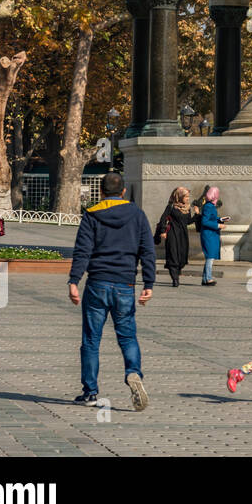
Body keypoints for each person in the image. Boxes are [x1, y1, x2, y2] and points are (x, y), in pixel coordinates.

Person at [68, 171, 155, 410]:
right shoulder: (137, 215)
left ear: (101, 192)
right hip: (125, 284)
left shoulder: (92, 215)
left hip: (97, 283)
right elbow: (147, 250)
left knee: (91, 340)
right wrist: (149, 284)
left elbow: (82, 250)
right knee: (127, 336)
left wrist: (74, 281)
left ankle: (90, 392)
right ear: (124, 191)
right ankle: (133, 373)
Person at [155, 186, 195, 287]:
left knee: (182, 257)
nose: (187, 199)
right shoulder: (171, 207)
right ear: (179, 196)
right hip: (173, 234)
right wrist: (163, 231)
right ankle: (175, 279)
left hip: (183, 235)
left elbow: (188, 221)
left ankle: (177, 272)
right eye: (186, 197)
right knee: (173, 256)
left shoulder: (187, 208)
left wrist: (197, 215)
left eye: (188, 197)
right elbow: (163, 219)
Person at [196, 185, 226, 286]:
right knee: (210, 257)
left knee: (210, 256)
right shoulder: (209, 206)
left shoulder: (209, 206)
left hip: (211, 234)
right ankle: (208, 278)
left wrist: (221, 219)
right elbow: (205, 222)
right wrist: (218, 225)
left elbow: (211, 218)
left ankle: (205, 279)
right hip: (209, 234)